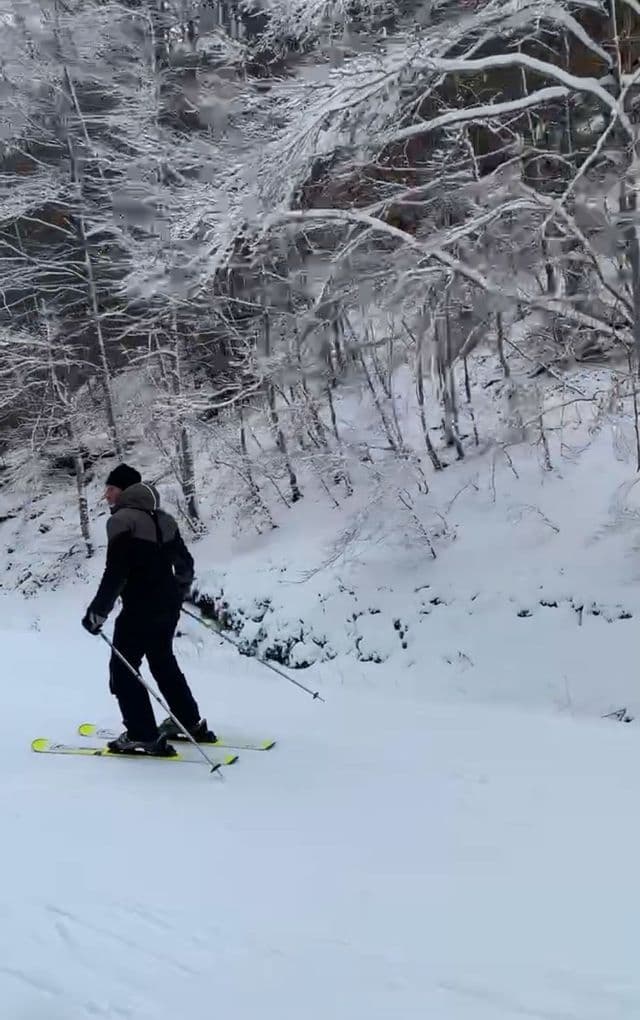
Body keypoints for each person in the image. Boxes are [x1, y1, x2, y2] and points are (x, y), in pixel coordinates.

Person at [82, 465, 215, 756]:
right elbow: (185, 565)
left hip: (139, 609)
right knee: (162, 661)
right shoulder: (164, 520)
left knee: (123, 669)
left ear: (126, 490)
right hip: (167, 607)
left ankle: (142, 734)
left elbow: (117, 570)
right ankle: (189, 722)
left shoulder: (122, 521)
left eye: (111, 489)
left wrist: (98, 612)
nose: (106, 495)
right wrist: (173, 593)